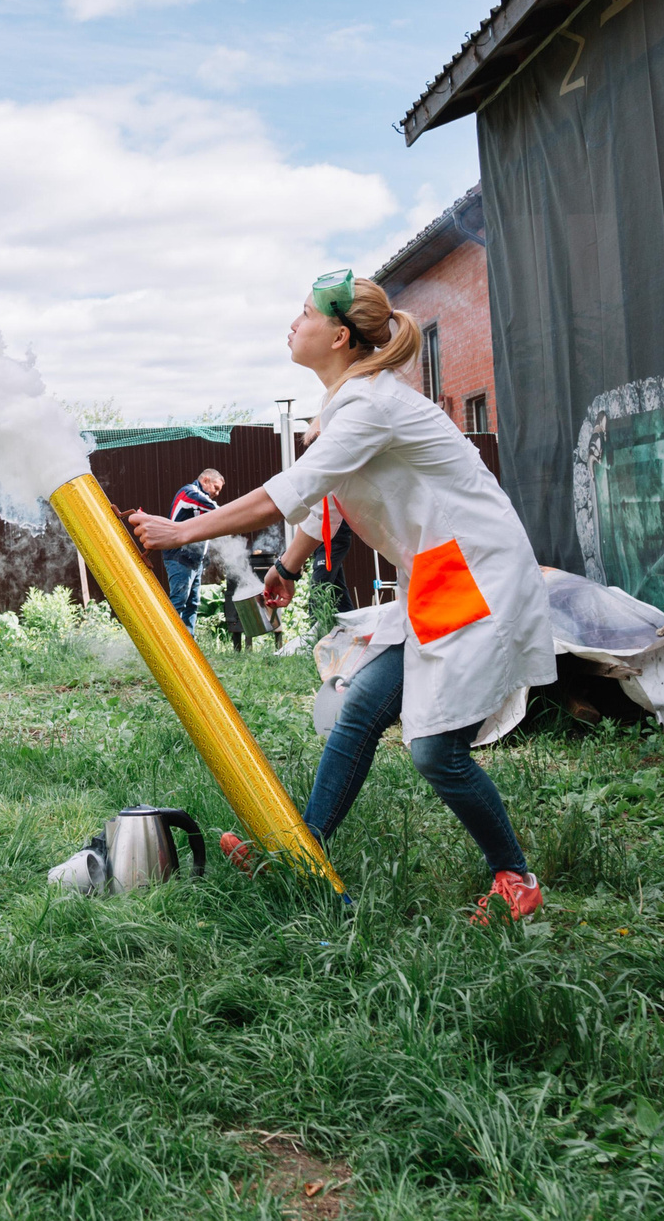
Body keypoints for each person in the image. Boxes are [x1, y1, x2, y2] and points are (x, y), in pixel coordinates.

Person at [126, 271, 553, 924]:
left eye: (303, 314)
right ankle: (300, 855)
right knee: (359, 713)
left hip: (478, 578)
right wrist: (290, 568)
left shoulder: (368, 406)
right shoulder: (354, 403)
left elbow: (283, 491)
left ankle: (515, 879)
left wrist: (182, 528)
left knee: (436, 749)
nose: (292, 324)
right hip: (442, 579)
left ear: (341, 335)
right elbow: (327, 494)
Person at [163, 467, 224, 620]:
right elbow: (213, 508)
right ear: (205, 480)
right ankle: (168, 641)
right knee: (179, 601)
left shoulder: (201, 501)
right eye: (216, 488)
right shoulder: (189, 493)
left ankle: (188, 642)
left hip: (194, 560)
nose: (217, 494)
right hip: (179, 556)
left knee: (192, 604)